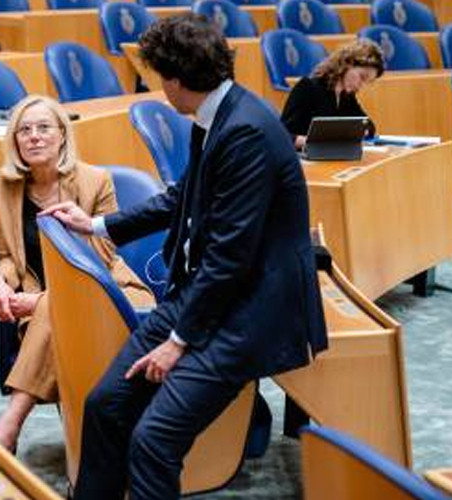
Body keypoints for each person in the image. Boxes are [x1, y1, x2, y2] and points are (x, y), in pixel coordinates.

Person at [42, 14, 328, 499]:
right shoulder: (213, 115)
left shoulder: (247, 133)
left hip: (247, 311)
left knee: (153, 441)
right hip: (204, 296)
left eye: (159, 80)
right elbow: (181, 199)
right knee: (106, 404)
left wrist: (178, 340)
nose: (160, 90)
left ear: (174, 80)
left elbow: (229, 259)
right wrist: (94, 224)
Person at [0, 95, 155, 452]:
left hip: (108, 291)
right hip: (42, 303)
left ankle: (8, 426)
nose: (34, 136)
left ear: (62, 135)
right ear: (14, 140)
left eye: (44, 127)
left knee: (54, 308)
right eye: (24, 130)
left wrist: (40, 302)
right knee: (54, 310)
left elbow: (101, 257)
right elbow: (7, 257)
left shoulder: (96, 181)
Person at [281, 39, 385, 151]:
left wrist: (361, 131)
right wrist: (311, 141)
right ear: (348, 63)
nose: (361, 85)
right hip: (304, 159)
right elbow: (282, 136)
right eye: (362, 77)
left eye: (366, 82)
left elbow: (368, 126)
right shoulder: (308, 87)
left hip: (328, 157)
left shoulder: (346, 96)